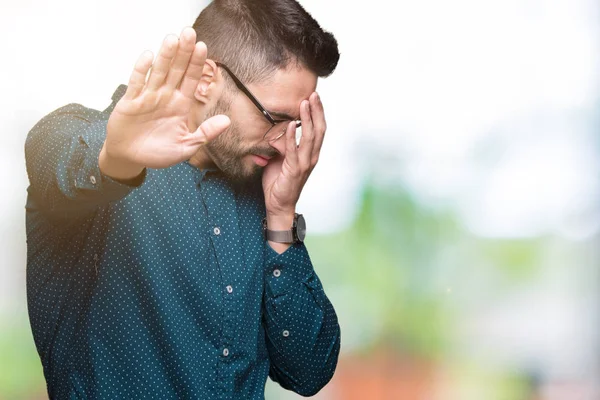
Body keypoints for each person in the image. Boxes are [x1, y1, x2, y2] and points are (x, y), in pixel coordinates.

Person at [24, 0, 341, 398]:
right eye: (272, 118)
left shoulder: (261, 190)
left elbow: (310, 371)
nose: (283, 144)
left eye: (294, 126)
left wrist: (281, 216)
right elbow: (52, 156)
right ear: (207, 79)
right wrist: (116, 159)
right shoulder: (84, 148)